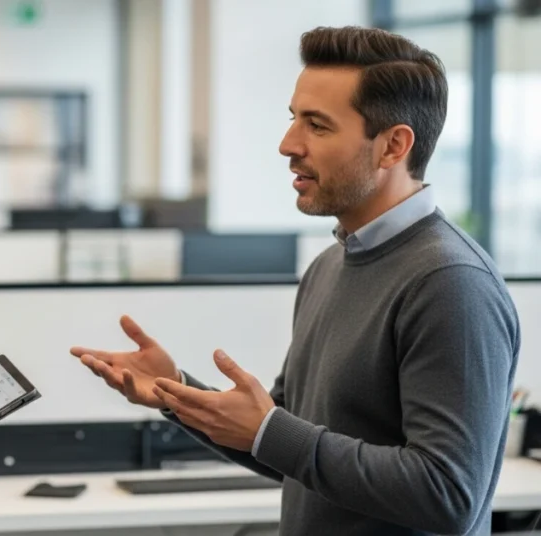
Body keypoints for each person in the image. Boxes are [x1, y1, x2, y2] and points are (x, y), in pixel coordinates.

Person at [72, 26, 519, 536]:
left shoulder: (450, 284)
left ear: (393, 146)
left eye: (318, 126)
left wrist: (269, 430)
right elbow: (288, 443)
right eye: (293, 119)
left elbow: (448, 493)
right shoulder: (331, 265)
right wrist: (180, 393)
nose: (288, 145)